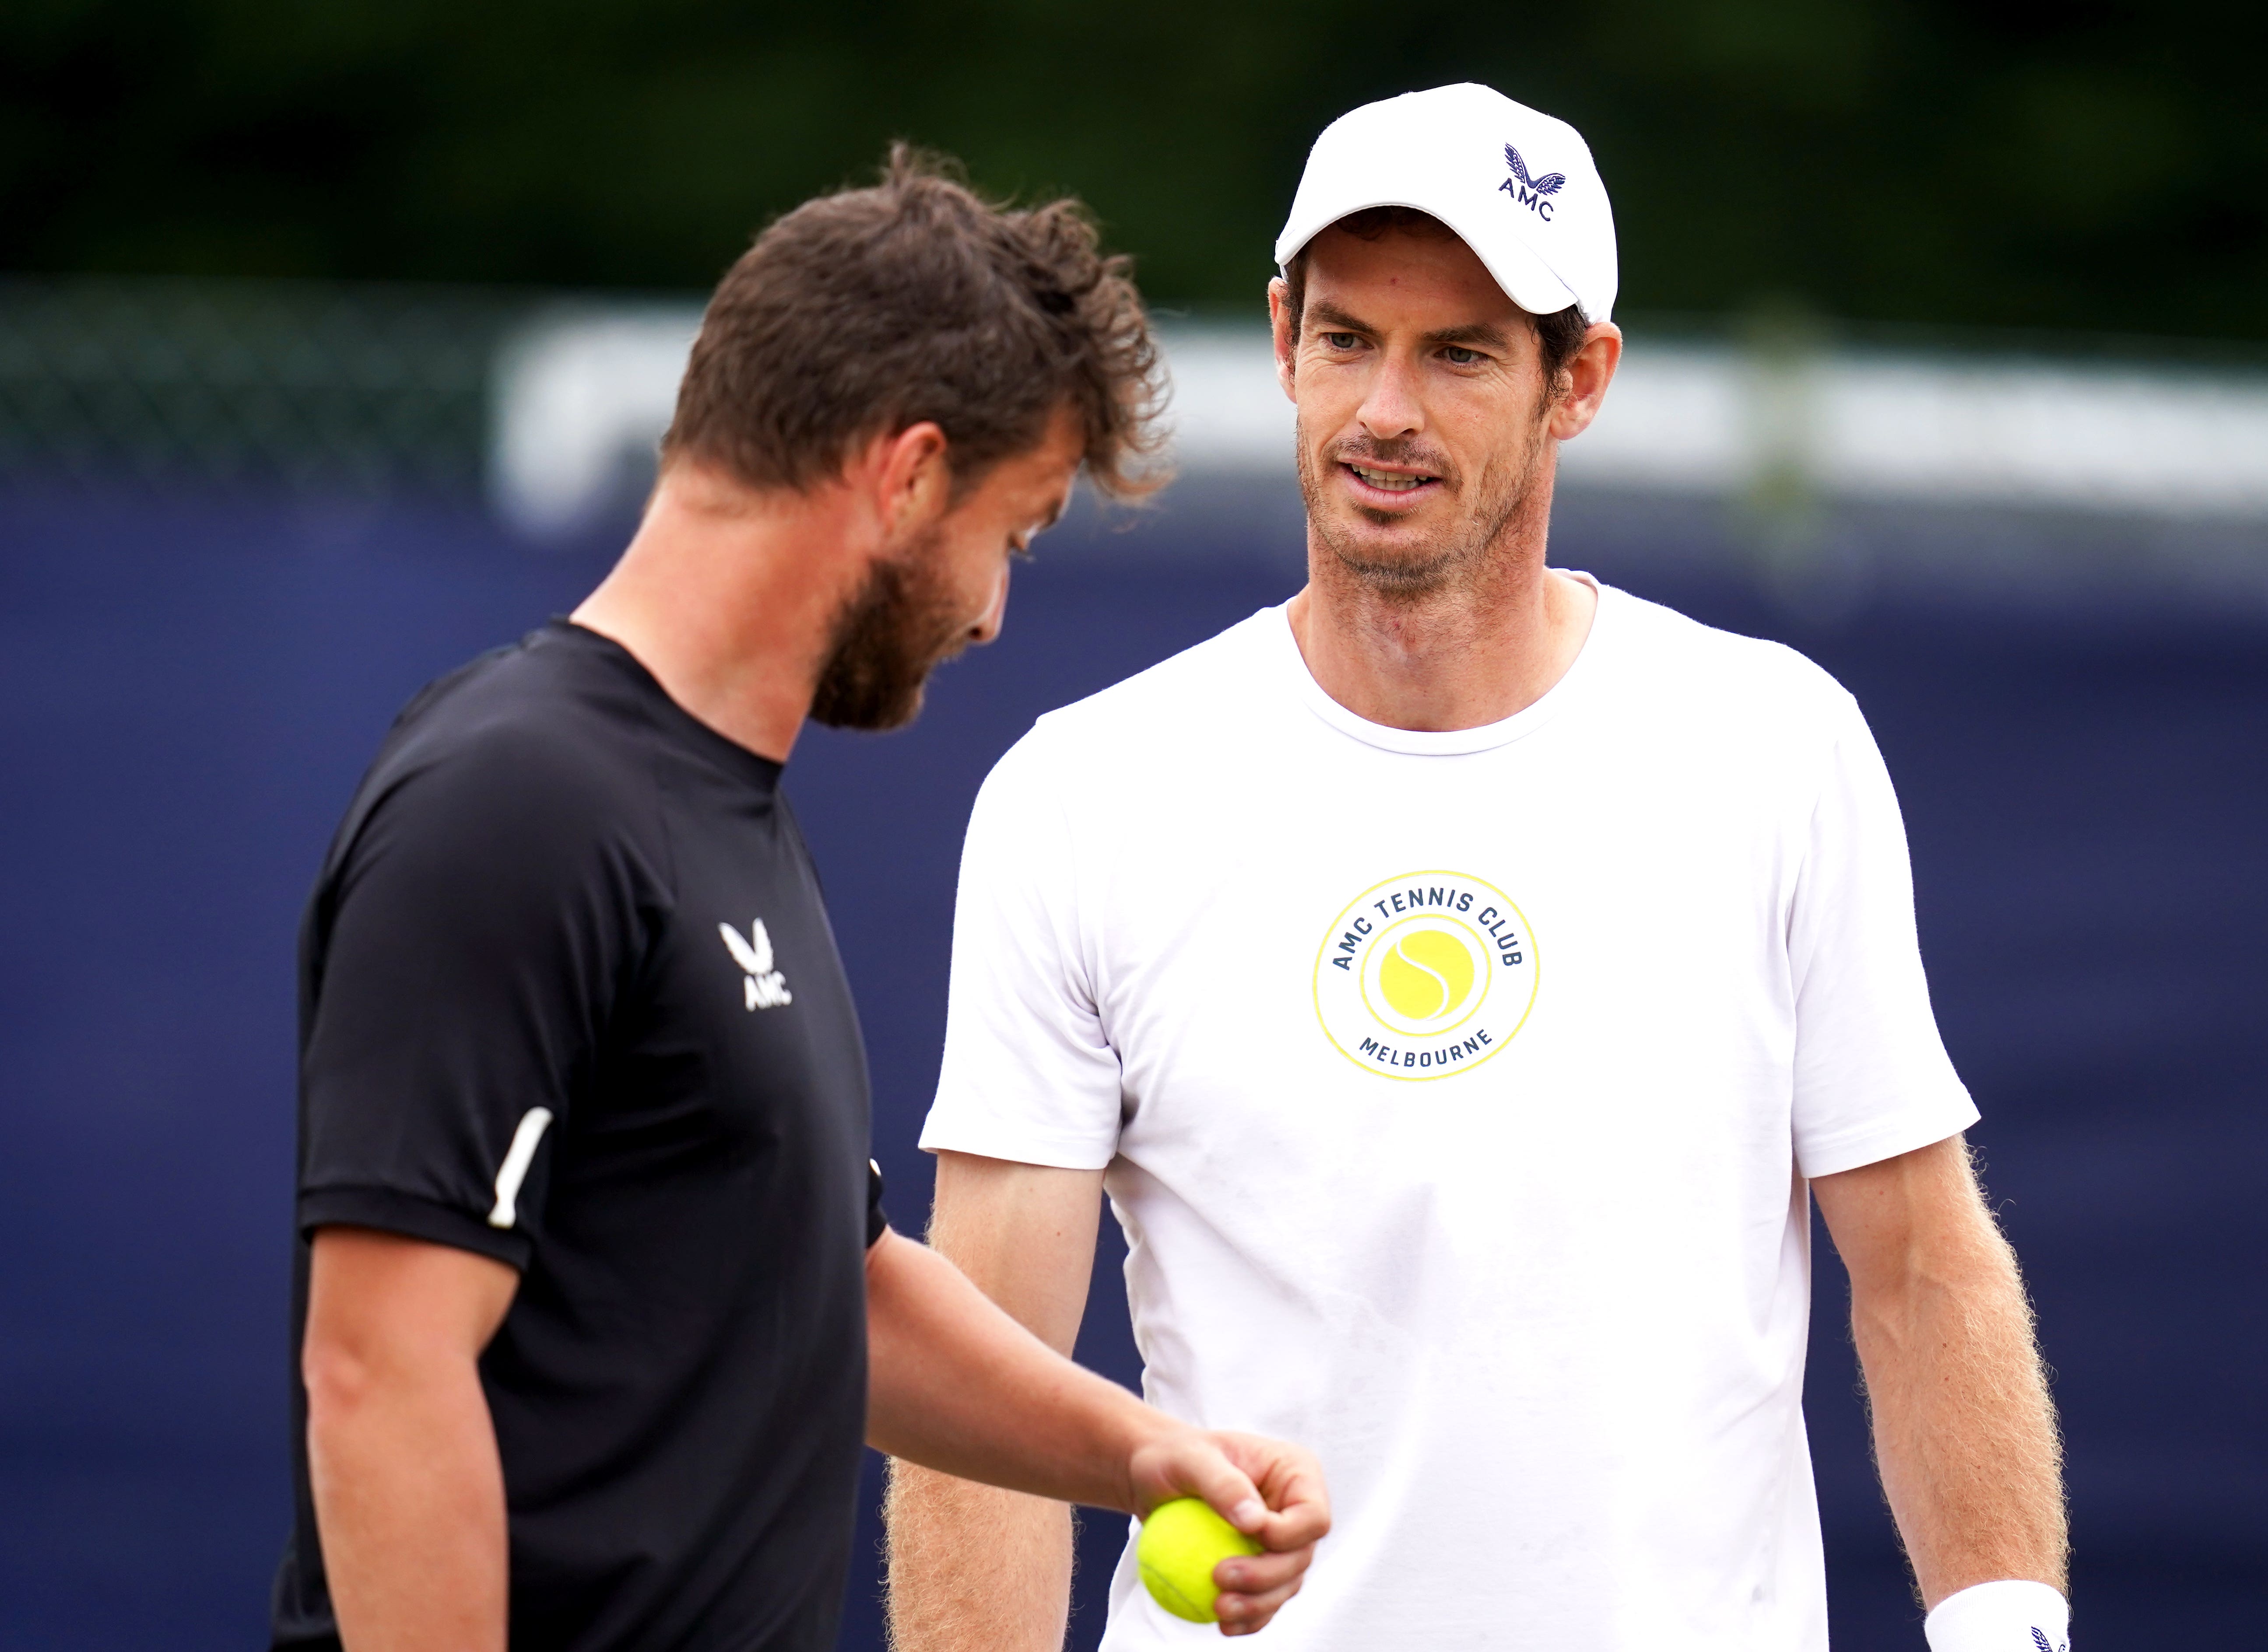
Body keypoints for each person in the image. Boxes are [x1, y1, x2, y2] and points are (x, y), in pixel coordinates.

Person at [886, 84, 2068, 1652]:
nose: (1385, 409)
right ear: (1281, 336)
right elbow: (985, 1380)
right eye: (1346, 338)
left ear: (1579, 380)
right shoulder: (1082, 795)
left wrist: (2006, 1628)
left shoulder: (1776, 747)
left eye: (1458, 354)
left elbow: (1921, 1264)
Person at [269, 149, 1329, 1652]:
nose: (992, 608)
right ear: (905, 476)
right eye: (1008, 536)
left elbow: (838, 1289)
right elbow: (381, 1369)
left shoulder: (715, 814)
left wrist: (1143, 1456)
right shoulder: (515, 804)